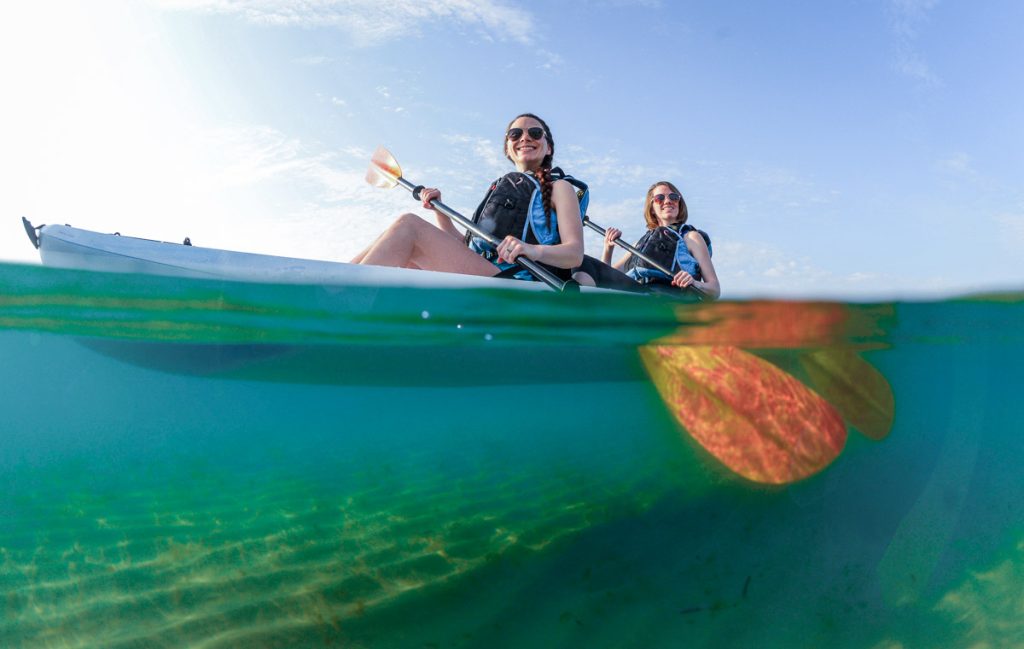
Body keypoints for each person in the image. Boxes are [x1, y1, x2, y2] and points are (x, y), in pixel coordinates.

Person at [352, 113, 584, 282]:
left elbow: (574, 254)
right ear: (508, 147)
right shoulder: (499, 190)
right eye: (515, 134)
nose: (524, 137)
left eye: (534, 133)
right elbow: (468, 248)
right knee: (403, 250)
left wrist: (531, 250)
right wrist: (440, 213)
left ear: (549, 148)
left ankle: (337, 303)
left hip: (518, 283)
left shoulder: (559, 187)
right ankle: (332, 285)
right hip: (489, 274)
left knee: (408, 226)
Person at [601, 181, 721, 301]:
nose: (668, 201)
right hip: (639, 306)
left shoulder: (692, 237)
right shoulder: (638, 246)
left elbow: (715, 290)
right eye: (660, 198)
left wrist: (694, 283)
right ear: (652, 208)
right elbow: (605, 281)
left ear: (679, 204)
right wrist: (608, 248)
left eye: (673, 197)